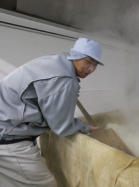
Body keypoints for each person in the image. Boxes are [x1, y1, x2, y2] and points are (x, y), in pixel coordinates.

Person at [0, 38, 103, 186]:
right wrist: (85, 127)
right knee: (45, 183)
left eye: (95, 64)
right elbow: (61, 127)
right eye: (88, 61)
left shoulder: (59, 61)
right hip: (8, 136)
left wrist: (65, 96)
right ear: (76, 55)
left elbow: (42, 94)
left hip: (7, 124)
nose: (91, 69)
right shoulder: (65, 80)